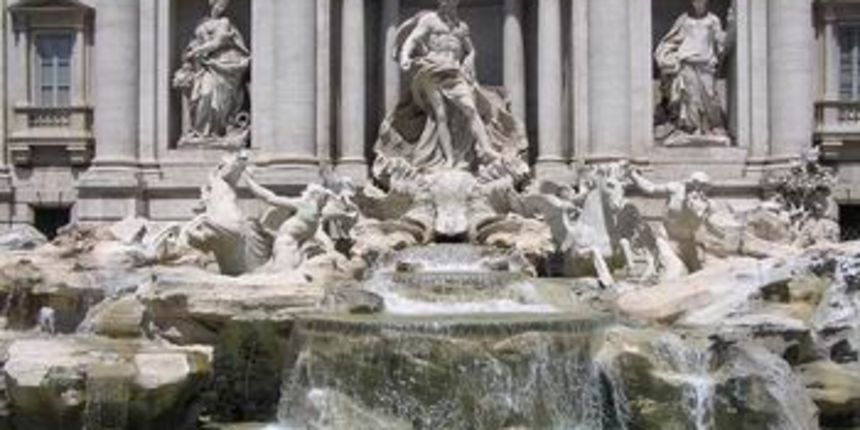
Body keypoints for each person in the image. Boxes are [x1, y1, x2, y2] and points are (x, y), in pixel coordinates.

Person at [374, 0, 529, 186]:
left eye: (454, 3)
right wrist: (405, 56)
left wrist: (470, 60)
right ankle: (448, 159)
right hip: (431, 69)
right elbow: (413, 39)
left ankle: (486, 148)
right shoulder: (430, 20)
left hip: (454, 73)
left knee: (470, 109)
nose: (450, 5)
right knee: (440, 114)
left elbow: (470, 50)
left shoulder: (461, 26)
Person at [173, 0, 250, 144]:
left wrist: (198, 50)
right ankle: (201, 132)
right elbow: (195, 42)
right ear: (212, 3)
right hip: (204, 67)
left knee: (217, 99)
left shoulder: (224, 22)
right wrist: (191, 52)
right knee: (204, 94)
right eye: (220, 4)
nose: (222, 7)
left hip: (222, 64)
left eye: (224, 5)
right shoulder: (202, 23)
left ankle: (216, 131)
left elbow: (217, 42)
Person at [655, 0, 732, 140]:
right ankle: (693, 127)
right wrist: (667, 55)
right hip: (687, 61)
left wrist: (730, 27)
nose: (698, 2)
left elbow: (720, 42)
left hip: (706, 63)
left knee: (710, 95)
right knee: (690, 97)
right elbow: (672, 39)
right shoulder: (684, 19)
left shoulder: (713, 20)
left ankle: (714, 125)